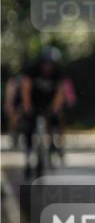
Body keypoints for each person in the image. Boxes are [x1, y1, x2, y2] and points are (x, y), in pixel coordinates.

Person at [20, 46, 66, 176]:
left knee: (56, 120)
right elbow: (25, 88)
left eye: (50, 64)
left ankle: (54, 145)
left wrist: (55, 108)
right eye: (46, 64)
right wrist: (27, 106)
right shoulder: (32, 69)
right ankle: (29, 155)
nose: (48, 67)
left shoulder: (58, 72)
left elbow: (60, 92)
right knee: (28, 125)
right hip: (33, 101)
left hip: (49, 102)